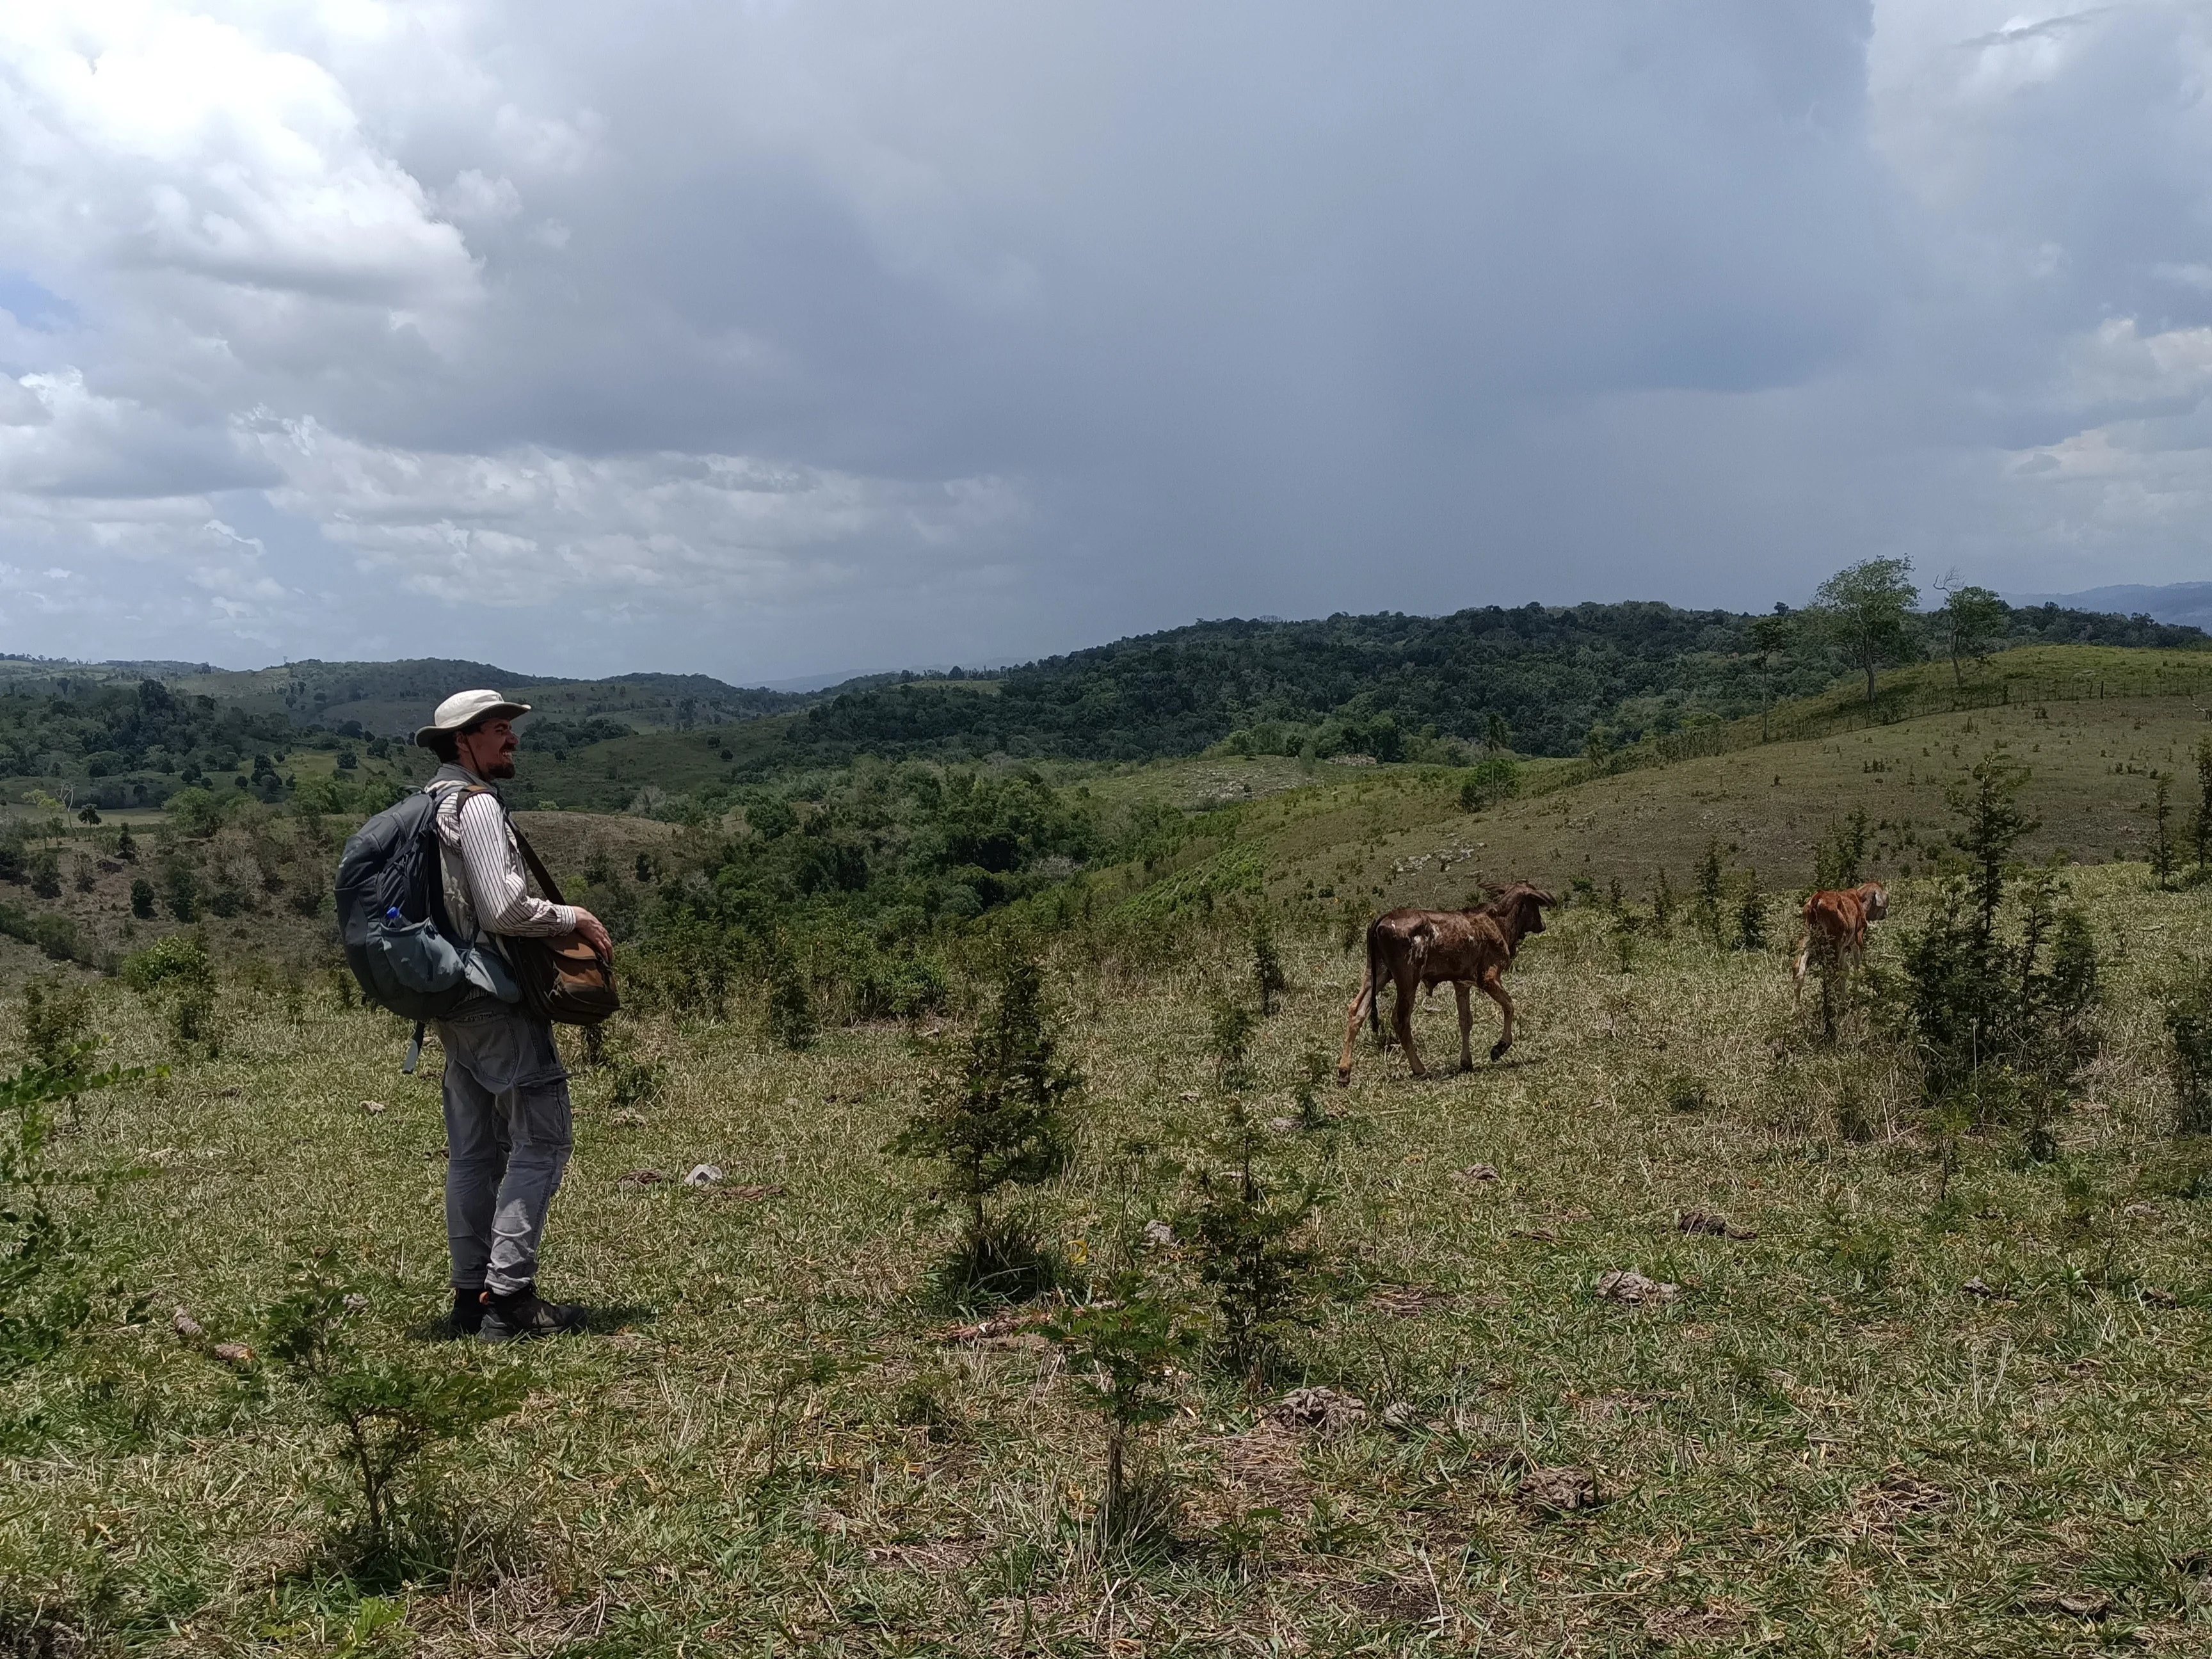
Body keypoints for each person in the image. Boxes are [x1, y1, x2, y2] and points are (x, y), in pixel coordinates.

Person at [414, 689, 613, 1342]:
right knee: (544, 1139)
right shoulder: (474, 808)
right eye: (499, 730)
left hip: (449, 997)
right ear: (463, 741)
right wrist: (572, 916)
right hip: (493, 997)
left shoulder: (428, 804)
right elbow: (503, 909)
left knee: (474, 1153)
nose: (512, 740)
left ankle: (471, 1298)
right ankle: (511, 1299)